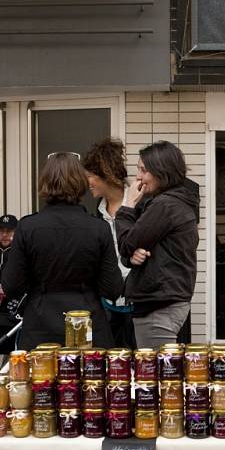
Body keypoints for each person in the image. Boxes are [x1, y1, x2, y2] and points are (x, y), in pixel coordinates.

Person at [1, 152, 123, 350]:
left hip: (39, 329)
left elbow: (11, 286)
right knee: (87, 381)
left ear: (45, 182)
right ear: (80, 182)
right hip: (88, 326)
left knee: (42, 381)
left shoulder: (28, 227)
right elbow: (113, 288)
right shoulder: (98, 228)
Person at [116, 141, 200, 349]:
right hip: (165, 300)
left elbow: (126, 243)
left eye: (143, 170)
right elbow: (134, 248)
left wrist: (127, 206)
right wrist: (131, 256)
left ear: (161, 171)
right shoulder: (174, 202)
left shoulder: (165, 205)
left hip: (158, 304)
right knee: (161, 371)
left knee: (157, 374)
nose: (138, 177)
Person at [82, 138, 136, 349]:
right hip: (107, 306)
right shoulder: (96, 213)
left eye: (91, 177)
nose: (88, 183)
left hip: (139, 304)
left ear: (106, 174)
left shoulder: (140, 205)